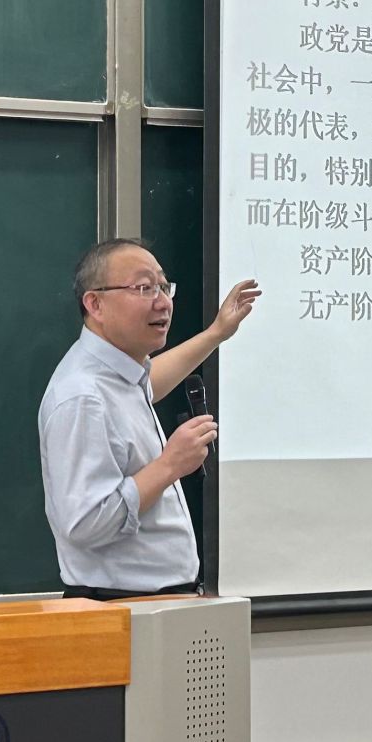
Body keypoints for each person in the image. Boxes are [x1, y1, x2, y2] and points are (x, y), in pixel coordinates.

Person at [37, 238, 260, 600]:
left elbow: (153, 379)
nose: (163, 301)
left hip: (149, 602)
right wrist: (170, 465)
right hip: (119, 606)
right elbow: (85, 523)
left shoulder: (119, 377)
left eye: (164, 286)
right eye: (144, 288)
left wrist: (216, 333)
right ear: (95, 304)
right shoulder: (83, 397)